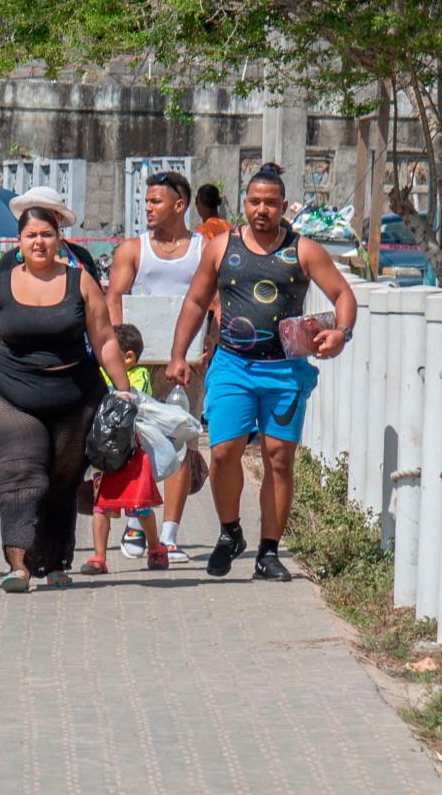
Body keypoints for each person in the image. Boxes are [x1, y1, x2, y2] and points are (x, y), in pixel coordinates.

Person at [167, 164, 357, 581]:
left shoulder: (303, 250)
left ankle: (268, 552)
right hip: (232, 365)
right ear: (244, 203)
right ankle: (229, 531)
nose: (262, 210)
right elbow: (196, 302)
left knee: (279, 459)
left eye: (270, 203)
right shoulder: (221, 247)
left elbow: (343, 293)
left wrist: (341, 333)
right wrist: (178, 354)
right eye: (254, 201)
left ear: (283, 206)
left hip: (285, 371)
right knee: (222, 452)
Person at [0, 190, 135, 593]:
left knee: (62, 481)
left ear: (58, 237)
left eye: (46, 234)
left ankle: (55, 561)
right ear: (19, 240)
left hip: (74, 398)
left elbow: (104, 341)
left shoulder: (80, 282)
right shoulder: (1, 284)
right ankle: (19, 565)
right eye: (31, 235)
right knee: (22, 478)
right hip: (8, 397)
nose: (39, 242)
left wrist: (124, 392)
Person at [105, 169, 209, 563]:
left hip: (188, 363)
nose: (148, 208)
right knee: (139, 440)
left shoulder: (204, 248)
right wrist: (119, 351)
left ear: (179, 205)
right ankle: (136, 521)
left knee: (183, 439)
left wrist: (208, 340)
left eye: (156, 201)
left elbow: (212, 299)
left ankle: (169, 533)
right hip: (139, 363)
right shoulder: (133, 249)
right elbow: (115, 297)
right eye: (146, 202)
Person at [81, 324, 166, 574]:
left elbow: (130, 396)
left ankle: (155, 547)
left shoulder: (138, 375)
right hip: (105, 453)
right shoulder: (99, 373)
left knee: (140, 505)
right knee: (101, 504)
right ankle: (99, 557)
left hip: (132, 455)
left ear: (127, 357)